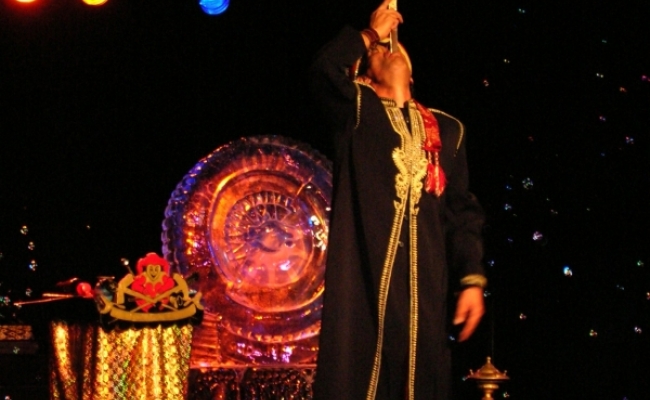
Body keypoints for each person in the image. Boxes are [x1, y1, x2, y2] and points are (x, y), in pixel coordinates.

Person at [309, 1, 487, 399]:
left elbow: (462, 214)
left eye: (391, 45)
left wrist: (471, 280)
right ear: (363, 78)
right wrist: (369, 33)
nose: (387, 49)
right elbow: (324, 69)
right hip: (365, 289)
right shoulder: (358, 113)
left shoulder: (448, 130)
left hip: (425, 293)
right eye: (376, 52)